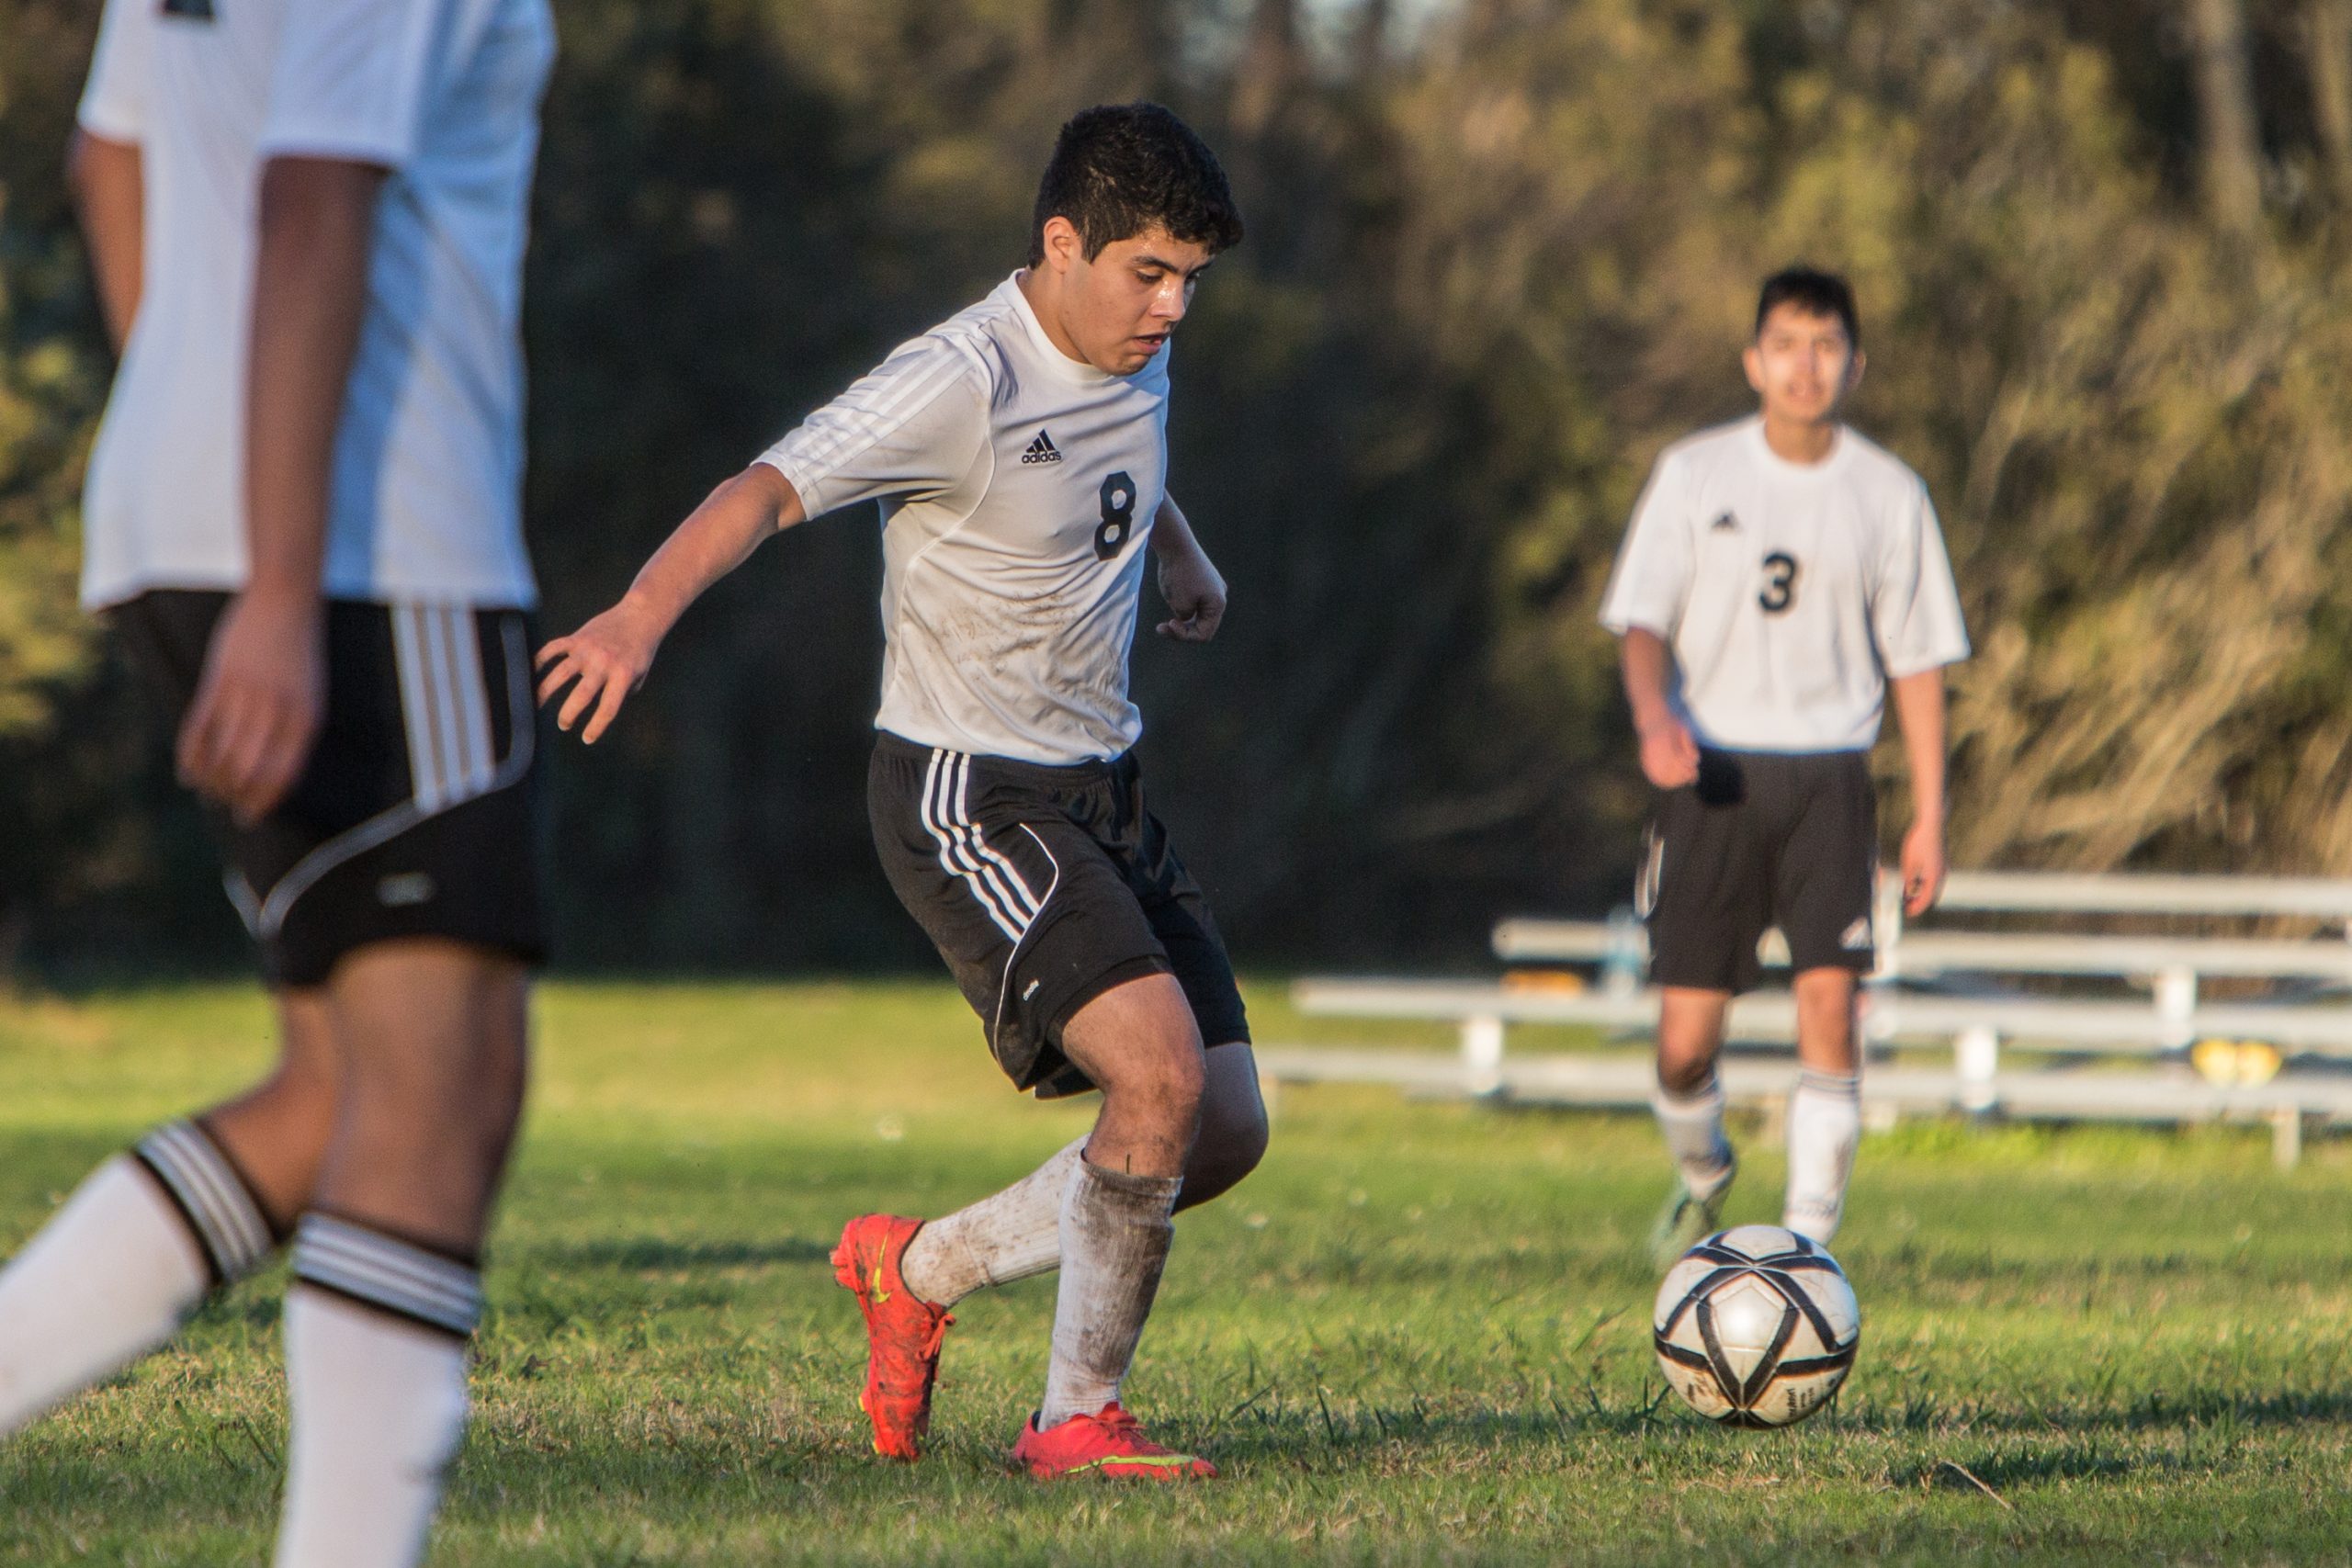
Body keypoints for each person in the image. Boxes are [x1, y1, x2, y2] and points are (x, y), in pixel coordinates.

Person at [537, 102, 1263, 1481]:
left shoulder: (1133, 345)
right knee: (1159, 1079)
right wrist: (636, 616)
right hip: (969, 791)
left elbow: (1115, 444)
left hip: (1103, 784)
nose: (1173, 308)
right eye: (1150, 274)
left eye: (1190, 279)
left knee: (1218, 1129)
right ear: (1063, 243)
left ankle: (916, 1271)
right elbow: (761, 489)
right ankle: (1072, 1419)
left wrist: (1179, 548)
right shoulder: (956, 379)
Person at [0, 1, 555, 1562]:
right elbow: (314, 186)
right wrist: (284, 580)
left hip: (195, 518)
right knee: (443, 1089)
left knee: (336, 1090)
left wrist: (193, 428)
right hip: (371, 545)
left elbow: (109, 158)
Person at [1597, 266, 1970, 1266]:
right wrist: (1653, 720)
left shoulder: (1889, 493)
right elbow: (1641, 623)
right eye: (1787, 346)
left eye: (1826, 346)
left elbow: (1919, 662)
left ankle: (1806, 1250)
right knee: (1684, 1047)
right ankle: (1704, 1175)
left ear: (1856, 364)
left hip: (1830, 781)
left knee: (1830, 1008)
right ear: (1753, 361)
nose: (1806, 367)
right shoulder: (1694, 473)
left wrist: (1931, 817)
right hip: (1711, 778)